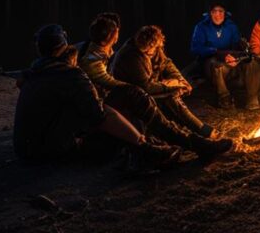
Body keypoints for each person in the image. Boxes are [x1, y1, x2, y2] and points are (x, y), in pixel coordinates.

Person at [13, 24, 181, 171]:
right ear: (64, 45)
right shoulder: (70, 75)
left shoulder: (34, 73)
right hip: (54, 151)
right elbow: (99, 115)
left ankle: (145, 145)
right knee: (126, 98)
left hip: (27, 149)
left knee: (113, 103)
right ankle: (146, 149)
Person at [77, 14, 232, 160]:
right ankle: (197, 141)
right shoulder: (102, 59)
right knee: (160, 108)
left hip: (126, 98)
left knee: (163, 106)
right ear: (112, 36)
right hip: (113, 107)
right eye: (116, 31)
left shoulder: (105, 53)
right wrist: (166, 86)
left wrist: (179, 80)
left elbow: (166, 63)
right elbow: (119, 85)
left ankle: (197, 138)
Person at [111, 25, 213, 136]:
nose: (151, 52)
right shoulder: (130, 56)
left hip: (148, 87)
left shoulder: (153, 47)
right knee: (171, 96)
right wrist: (171, 86)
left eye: (153, 47)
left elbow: (166, 63)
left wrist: (180, 80)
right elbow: (146, 86)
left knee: (174, 94)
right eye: (148, 50)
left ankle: (192, 129)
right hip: (133, 95)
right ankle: (199, 129)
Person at [188, 3, 248, 109]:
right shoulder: (201, 27)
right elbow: (195, 48)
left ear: (225, 13)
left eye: (220, 11)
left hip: (228, 58)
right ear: (210, 14)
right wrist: (215, 51)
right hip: (209, 61)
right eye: (214, 12)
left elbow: (236, 46)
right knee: (216, 65)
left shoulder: (231, 26)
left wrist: (241, 47)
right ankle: (224, 97)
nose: (217, 15)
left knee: (247, 63)